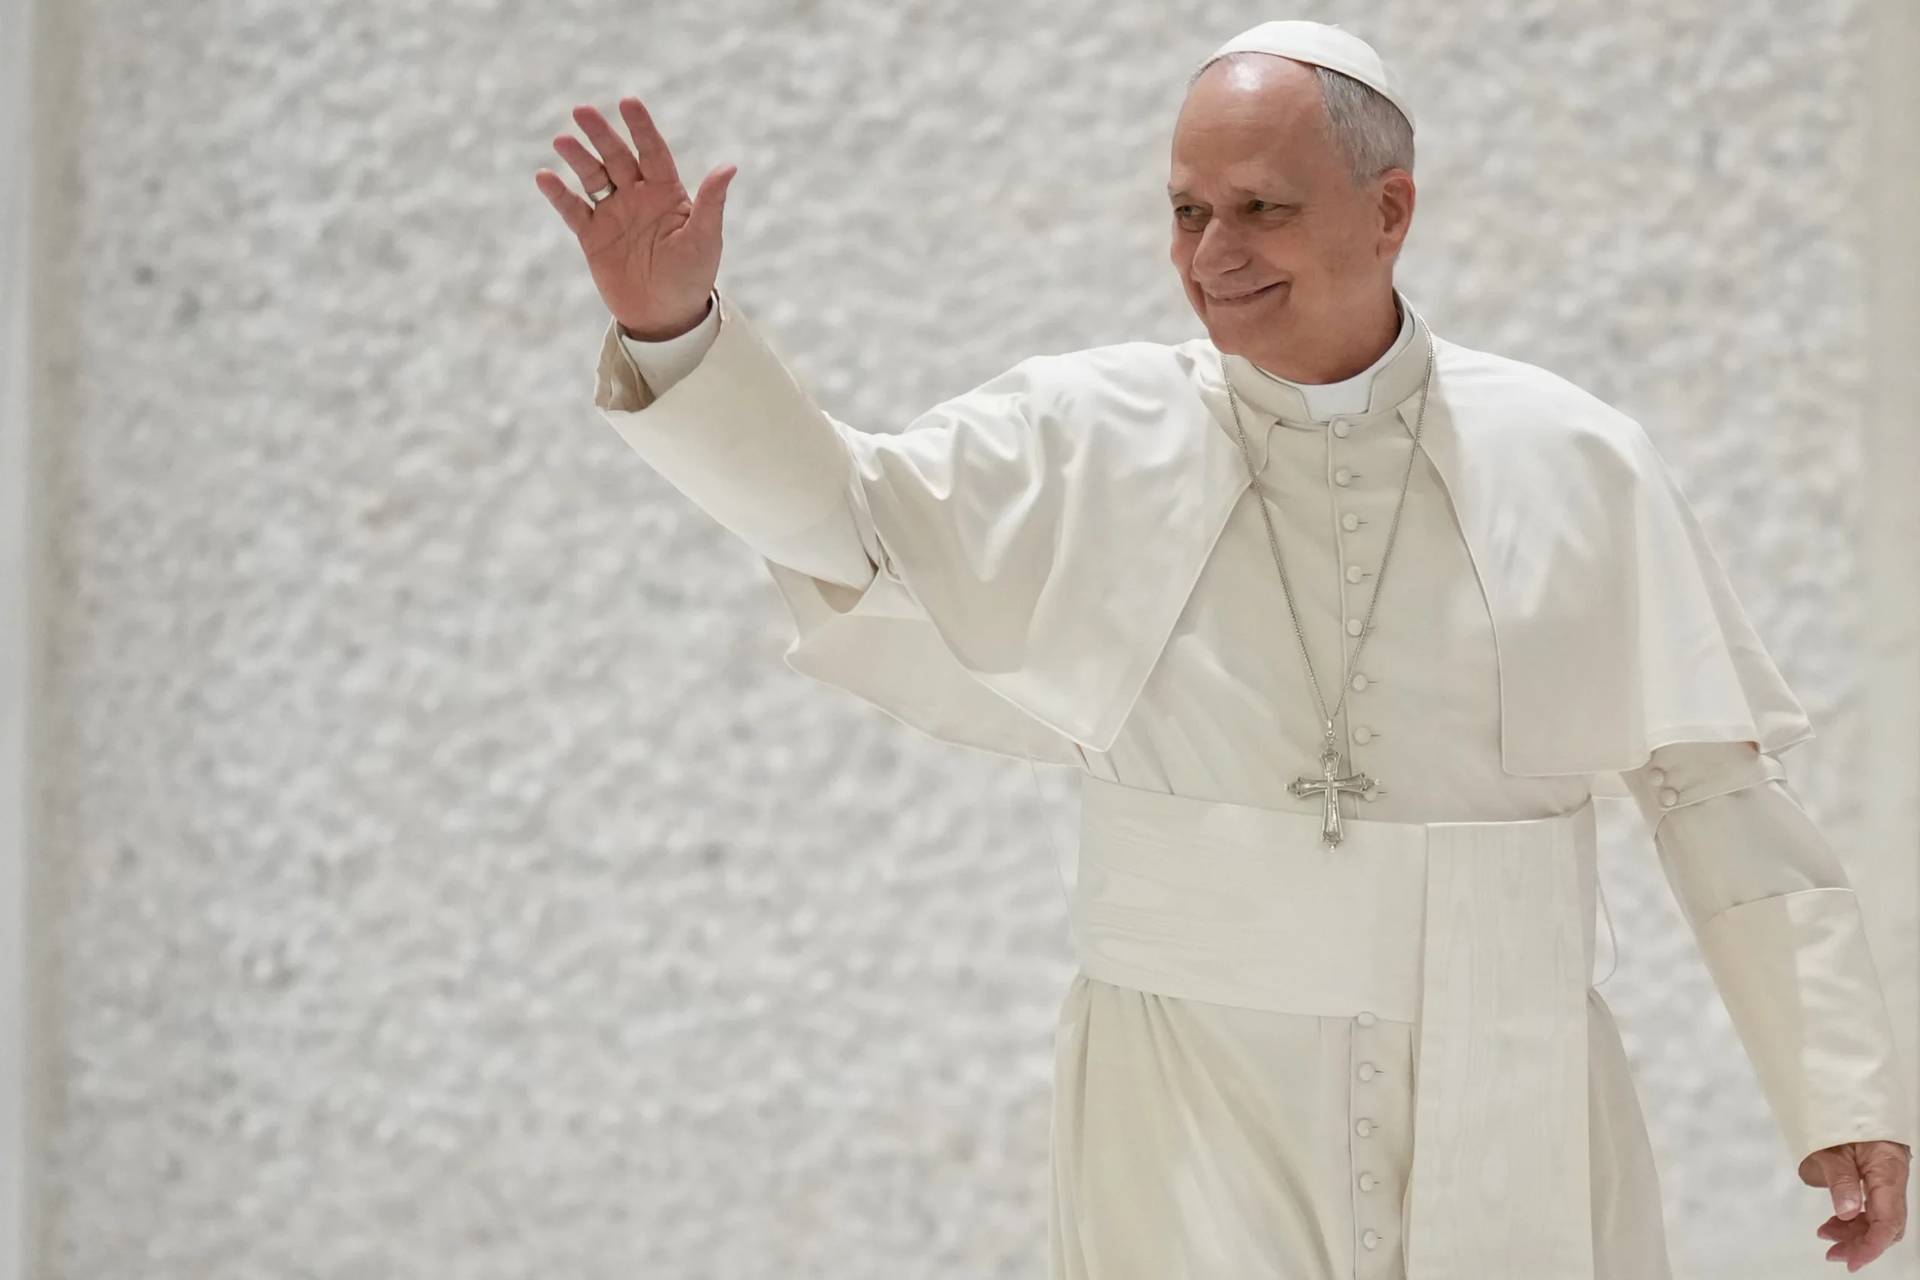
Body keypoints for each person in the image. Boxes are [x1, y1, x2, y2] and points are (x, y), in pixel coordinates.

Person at [533, 18, 1912, 1278]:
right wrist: (677, 326)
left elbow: (1716, 789)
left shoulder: (1574, 456)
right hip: (1196, 1084)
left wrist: (1836, 1091)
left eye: (1262, 209)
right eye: (1187, 212)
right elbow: (847, 528)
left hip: (1516, 1076)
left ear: (1391, 211)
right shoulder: (1087, 431)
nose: (1214, 256)